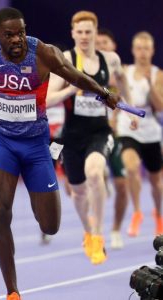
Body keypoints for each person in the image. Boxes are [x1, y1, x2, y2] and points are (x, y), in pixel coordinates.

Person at [0, 7, 119, 300]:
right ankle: (12, 291)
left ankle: (37, 198)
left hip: (36, 145)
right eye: (10, 35)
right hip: (2, 141)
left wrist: (103, 93)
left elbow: (75, 75)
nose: (17, 39)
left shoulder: (43, 53)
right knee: (1, 212)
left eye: (21, 32)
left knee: (50, 226)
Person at [46, 11, 135, 265]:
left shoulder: (111, 60)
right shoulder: (65, 61)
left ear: (96, 33)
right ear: (73, 33)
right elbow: (48, 98)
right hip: (72, 135)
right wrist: (72, 88)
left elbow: (123, 86)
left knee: (95, 172)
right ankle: (88, 230)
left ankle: (98, 236)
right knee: (78, 193)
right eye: (80, 32)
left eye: (89, 32)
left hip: (99, 131)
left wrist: (129, 111)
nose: (84, 36)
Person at [117, 31, 163, 237]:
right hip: (128, 126)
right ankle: (137, 212)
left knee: (156, 182)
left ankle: (158, 214)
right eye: (139, 48)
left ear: (152, 51)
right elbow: (117, 100)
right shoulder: (124, 71)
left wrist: (150, 85)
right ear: (133, 50)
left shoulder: (158, 74)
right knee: (131, 167)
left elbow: (160, 108)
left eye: (147, 48)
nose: (143, 52)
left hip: (151, 129)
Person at [95, 28, 129, 249]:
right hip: (94, 134)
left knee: (122, 185)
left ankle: (116, 229)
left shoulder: (121, 72)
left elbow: (128, 99)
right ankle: (94, 231)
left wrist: (120, 117)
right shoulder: (89, 71)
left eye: (105, 42)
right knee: (92, 179)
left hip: (117, 135)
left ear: (113, 46)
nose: (101, 46)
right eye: (98, 43)